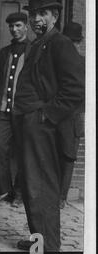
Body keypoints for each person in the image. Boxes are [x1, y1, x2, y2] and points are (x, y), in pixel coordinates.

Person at [13, 0, 84, 252]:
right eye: (33, 14)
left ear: (54, 15)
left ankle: (50, 250)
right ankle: (38, 240)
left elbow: (76, 89)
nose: (36, 19)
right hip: (28, 124)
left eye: (43, 13)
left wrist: (46, 115)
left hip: (42, 125)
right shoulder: (37, 44)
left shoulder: (60, 43)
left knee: (42, 187)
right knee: (32, 186)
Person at [0, 12, 31, 208]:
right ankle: (5, 190)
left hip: (24, 112)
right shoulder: (5, 52)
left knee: (24, 152)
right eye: (12, 26)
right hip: (3, 110)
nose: (14, 29)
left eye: (19, 25)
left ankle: (21, 192)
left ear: (26, 26)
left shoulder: (34, 50)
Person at [59, 21, 85, 209]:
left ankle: (62, 196)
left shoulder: (85, 64)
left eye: (75, 42)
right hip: (57, 117)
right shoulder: (57, 63)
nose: (73, 46)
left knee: (68, 157)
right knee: (53, 156)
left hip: (74, 116)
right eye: (69, 42)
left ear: (80, 43)